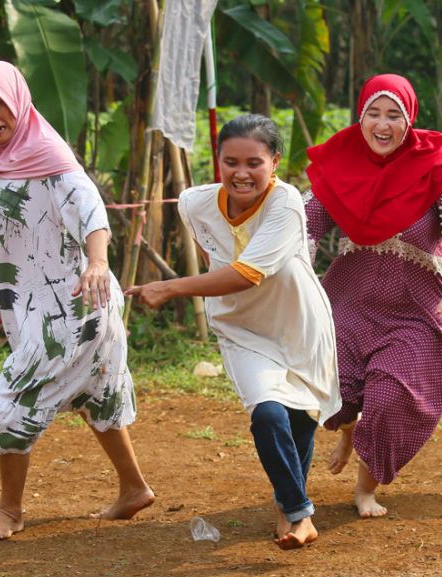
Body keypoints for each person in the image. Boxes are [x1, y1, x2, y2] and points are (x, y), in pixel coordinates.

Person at [0, 61, 154, 541]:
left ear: (19, 101)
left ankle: (9, 510)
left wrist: (97, 262)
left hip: (73, 308)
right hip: (42, 305)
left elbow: (91, 212)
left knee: (9, 400)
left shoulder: (49, 156)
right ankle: (134, 488)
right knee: (96, 395)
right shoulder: (7, 155)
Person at [126, 115, 339, 550]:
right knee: (267, 414)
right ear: (218, 162)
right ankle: (300, 514)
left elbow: (246, 272)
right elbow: (217, 249)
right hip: (242, 328)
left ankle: (287, 506)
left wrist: (169, 287)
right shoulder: (193, 203)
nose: (241, 173)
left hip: (297, 321)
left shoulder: (287, 203)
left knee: (299, 420)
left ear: (275, 162)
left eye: (254, 162)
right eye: (230, 162)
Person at [305, 74, 442, 517]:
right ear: (360, 116)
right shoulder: (338, 163)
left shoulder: (437, 165)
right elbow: (303, 225)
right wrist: (290, 275)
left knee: (389, 400)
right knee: (334, 397)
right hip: (350, 300)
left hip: (416, 309)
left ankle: (365, 488)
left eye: (394, 115)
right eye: (374, 114)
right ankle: (349, 430)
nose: (383, 125)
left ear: (409, 120)